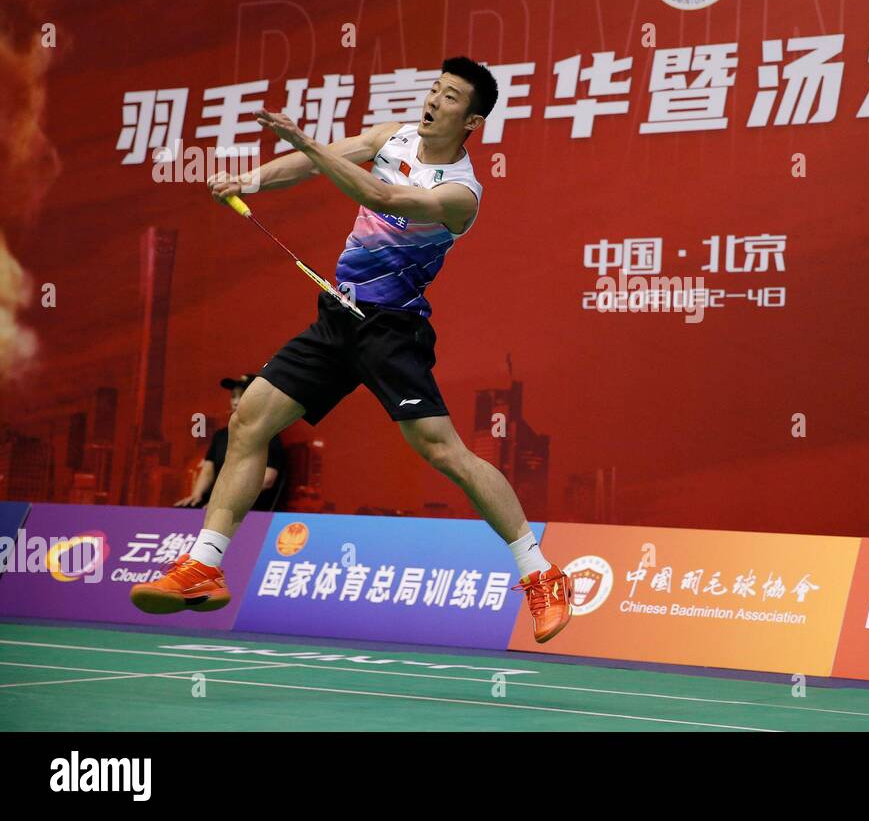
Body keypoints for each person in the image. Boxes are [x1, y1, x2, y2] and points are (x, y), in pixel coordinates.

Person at [131, 57, 573, 642]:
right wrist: (254, 179)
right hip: (337, 317)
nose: (434, 100)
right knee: (248, 422)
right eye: (435, 89)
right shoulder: (394, 135)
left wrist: (309, 143)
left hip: (391, 330)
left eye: (450, 97)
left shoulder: (462, 194)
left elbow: (378, 193)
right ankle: (204, 567)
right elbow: (317, 165)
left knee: (446, 455)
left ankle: (542, 574)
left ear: (472, 120)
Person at [174, 373, 286, 512]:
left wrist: (228, 504)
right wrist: (196, 496)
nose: (236, 401)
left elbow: (267, 480)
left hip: (246, 510)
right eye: (233, 396)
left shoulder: (268, 435)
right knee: (181, 511)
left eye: (243, 395)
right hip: (214, 506)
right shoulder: (220, 436)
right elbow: (208, 470)